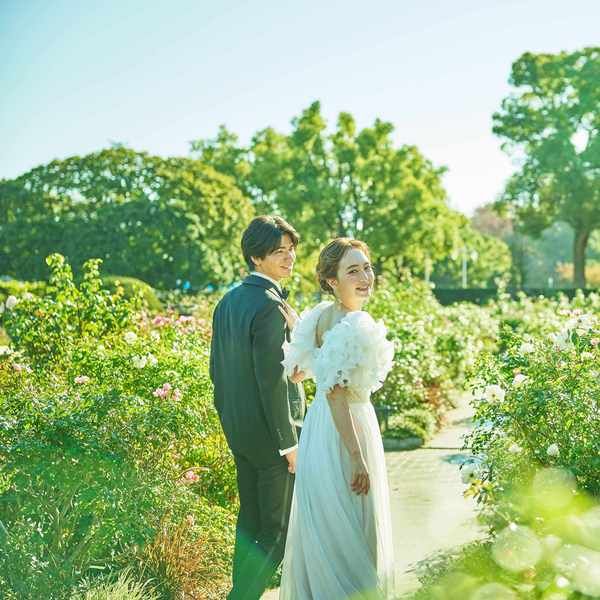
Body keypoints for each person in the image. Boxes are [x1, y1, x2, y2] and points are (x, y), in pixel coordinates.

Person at [278, 238, 395, 599]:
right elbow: (336, 394)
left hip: (318, 430)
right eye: (353, 271)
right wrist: (357, 457)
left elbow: (298, 372)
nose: (365, 277)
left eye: (367, 268)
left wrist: (302, 332)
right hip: (348, 429)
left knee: (328, 523)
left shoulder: (317, 317)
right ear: (332, 280)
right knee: (353, 522)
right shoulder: (356, 323)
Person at [210, 215, 306, 600]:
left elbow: (217, 374)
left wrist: (232, 427)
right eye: (279, 251)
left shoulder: (227, 302)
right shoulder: (268, 305)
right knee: (276, 531)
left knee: (249, 525)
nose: (289, 258)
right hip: (272, 439)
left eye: (291, 250)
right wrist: (288, 444)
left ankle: (238, 594)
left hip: (241, 434)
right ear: (256, 256)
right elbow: (272, 381)